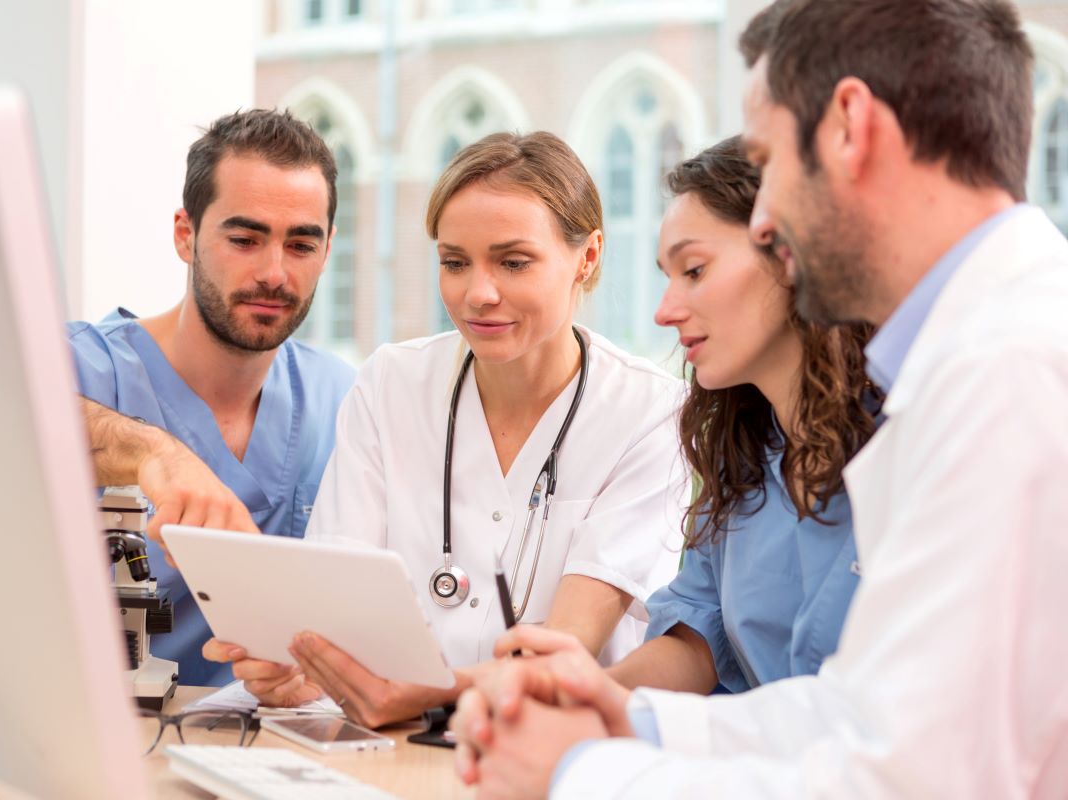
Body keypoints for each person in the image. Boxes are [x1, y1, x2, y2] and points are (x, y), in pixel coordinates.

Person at [450, 1, 1068, 796]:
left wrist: (579, 772)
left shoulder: (1011, 371)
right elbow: (862, 710)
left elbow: (907, 778)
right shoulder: (981, 353)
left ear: (851, 126)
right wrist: (628, 716)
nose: (768, 217)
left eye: (769, 160)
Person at [206, 131, 687, 726]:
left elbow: (568, 648)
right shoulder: (390, 385)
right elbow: (337, 596)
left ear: (587, 256)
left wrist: (431, 691)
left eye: (513, 262)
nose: (477, 294)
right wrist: (303, 666)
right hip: (386, 744)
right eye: (454, 263)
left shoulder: (649, 412)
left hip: (543, 749)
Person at [497, 136, 880, 699]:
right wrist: (586, 697)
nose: (665, 311)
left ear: (792, 255)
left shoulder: (911, 443)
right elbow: (696, 643)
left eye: (694, 271)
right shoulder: (741, 454)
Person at [69, 108, 355, 686]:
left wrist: (315, 675)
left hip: (259, 750)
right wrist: (157, 454)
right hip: (68, 748)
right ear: (186, 234)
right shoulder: (87, 367)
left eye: (301, 245)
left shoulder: (344, 400)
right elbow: (3, 413)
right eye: (245, 239)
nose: (274, 274)